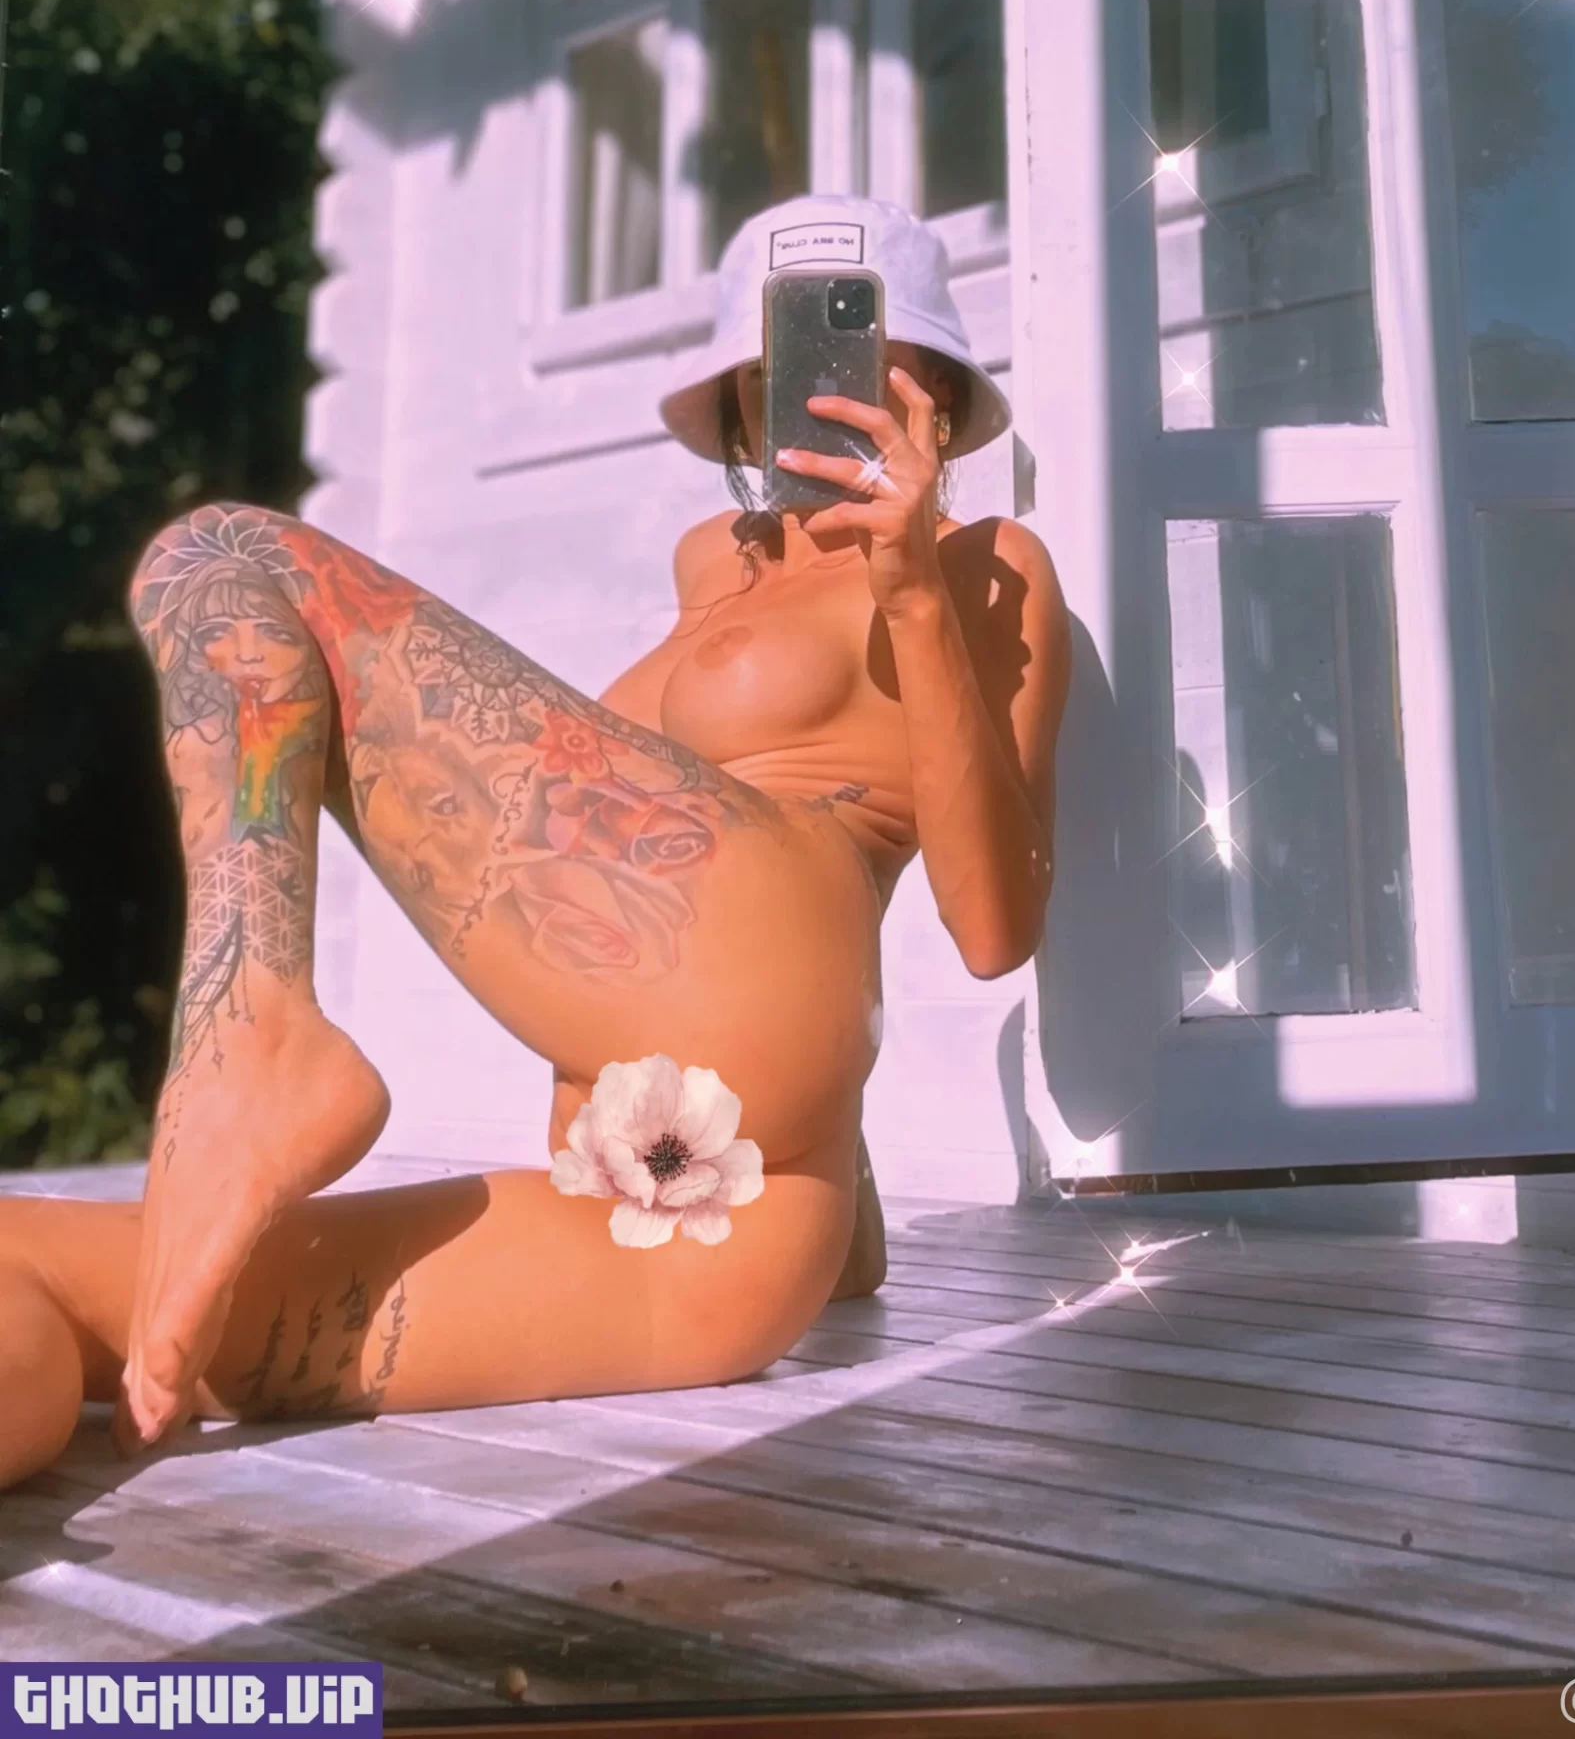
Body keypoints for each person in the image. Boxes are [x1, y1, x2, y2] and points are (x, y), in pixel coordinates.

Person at [0, 195, 1071, 1492]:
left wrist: (912, 588)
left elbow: (994, 928)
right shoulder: (711, 568)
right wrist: (844, 1201)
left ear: (934, 395)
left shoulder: (985, 564)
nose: (807, 393)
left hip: (772, 980)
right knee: (63, 1288)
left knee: (219, 559)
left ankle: (254, 1036)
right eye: (769, 368)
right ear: (735, 403)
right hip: (697, 1229)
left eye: (857, 355)